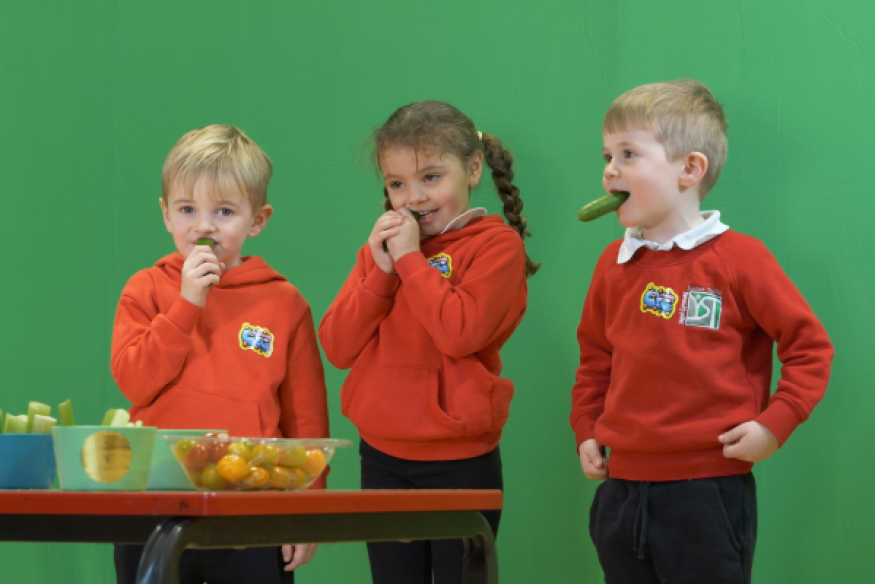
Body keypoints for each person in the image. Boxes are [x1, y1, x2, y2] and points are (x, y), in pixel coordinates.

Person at [570, 79, 834, 583]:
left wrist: (774, 424)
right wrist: (586, 425)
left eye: (629, 154)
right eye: (606, 154)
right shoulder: (612, 264)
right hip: (620, 492)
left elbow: (810, 348)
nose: (609, 170)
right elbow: (595, 358)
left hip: (707, 493)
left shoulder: (740, 259)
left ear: (690, 169)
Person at [318, 101, 538, 584]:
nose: (413, 198)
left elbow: (460, 333)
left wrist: (411, 261)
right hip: (382, 457)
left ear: (473, 168)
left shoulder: (496, 247)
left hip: (460, 462)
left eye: (431, 178)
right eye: (397, 184)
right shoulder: (385, 251)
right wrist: (380, 270)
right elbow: (336, 346)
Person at [110, 124, 330, 584]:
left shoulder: (285, 303)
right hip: (152, 503)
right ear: (166, 214)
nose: (204, 225)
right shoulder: (145, 289)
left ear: (257, 220)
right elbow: (134, 380)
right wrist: (186, 303)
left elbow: (305, 420)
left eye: (224, 210)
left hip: (252, 508)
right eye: (187, 208)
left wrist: (306, 510)